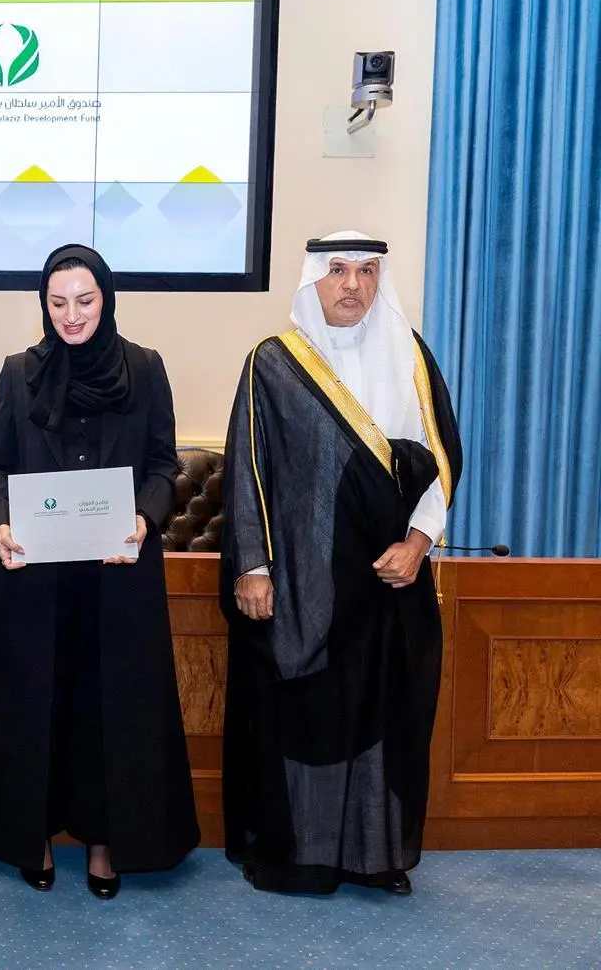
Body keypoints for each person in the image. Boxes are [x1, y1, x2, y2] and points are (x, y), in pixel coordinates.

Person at [220, 231, 462, 896]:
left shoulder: (412, 357)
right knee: (305, 716)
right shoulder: (273, 364)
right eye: (336, 270)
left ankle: (375, 857)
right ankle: (301, 853)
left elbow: (441, 462)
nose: (352, 284)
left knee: (382, 719)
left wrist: (419, 544)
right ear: (313, 280)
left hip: (389, 581)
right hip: (304, 586)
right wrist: (253, 567)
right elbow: (248, 469)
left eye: (365, 271)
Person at [0, 244, 199, 899]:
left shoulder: (145, 369)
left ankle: (106, 840)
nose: (72, 315)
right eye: (59, 302)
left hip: (119, 569)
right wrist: (0, 522)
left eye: (85, 301)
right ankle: (30, 835)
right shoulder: (18, 373)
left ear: (107, 300)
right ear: (44, 304)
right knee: (35, 705)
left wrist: (145, 519)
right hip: (35, 575)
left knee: (112, 707)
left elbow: (163, 464)